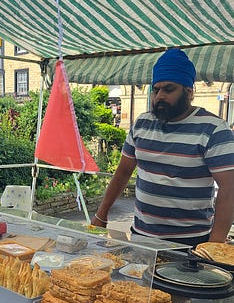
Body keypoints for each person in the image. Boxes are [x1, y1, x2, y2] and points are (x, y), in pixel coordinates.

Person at [92, 49, 234, 246]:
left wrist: (214, 245)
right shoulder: (142, 124)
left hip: (190, 242)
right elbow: (123, 173)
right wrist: (101, 215)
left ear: (189, 92)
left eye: (169, 89)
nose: (159, 96)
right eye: (156, 89)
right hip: (141, 236)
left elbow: (229, 188)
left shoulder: (214, 129)